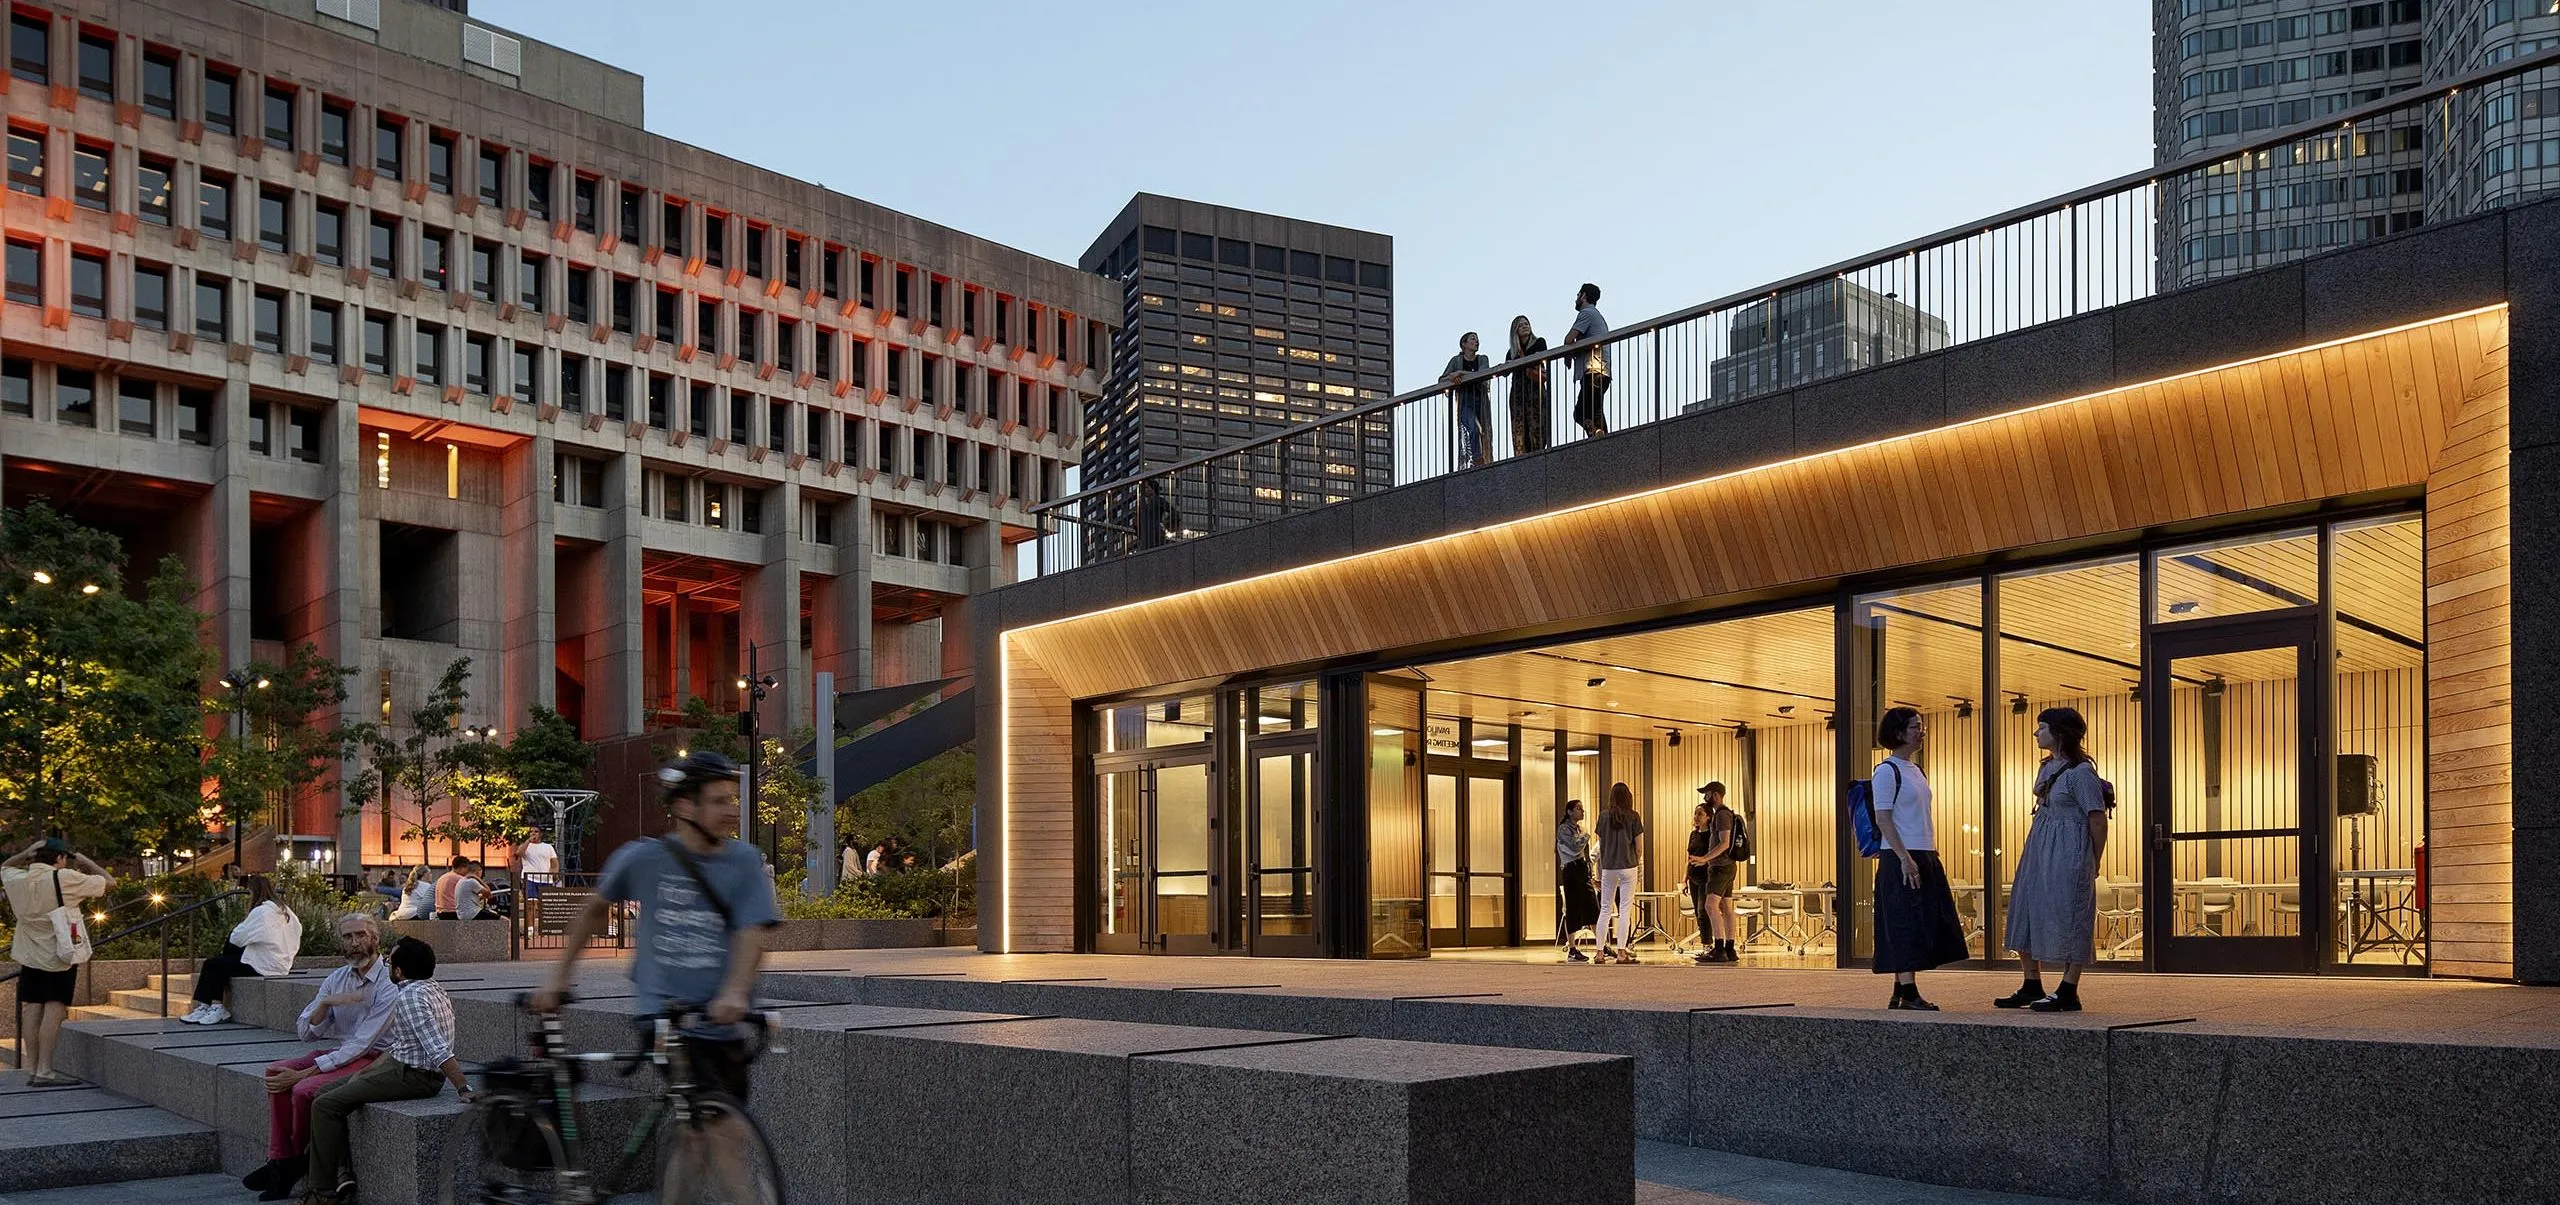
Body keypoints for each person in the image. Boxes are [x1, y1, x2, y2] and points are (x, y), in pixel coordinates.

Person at [533, 751, 780, 1105]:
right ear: (684, 808)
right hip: (665, 1013)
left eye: (732, 800)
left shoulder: (744, 861)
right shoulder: (643, 858)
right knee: (709, 1124)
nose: (732, 810)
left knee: (724, 1128)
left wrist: (736, 992)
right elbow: (593, 911)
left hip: (722, 1016)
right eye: (719, 801)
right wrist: (559, 976)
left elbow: (752, 932)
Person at [303, 936, 468, 1205]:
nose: (387, 964)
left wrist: (462, 1087)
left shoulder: (410, 999)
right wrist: (364, 1075)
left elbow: (437, 1048)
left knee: (325, 1105)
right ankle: (340, 1171)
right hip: (399, 1064)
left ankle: (322, 1193)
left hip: (415, 1076)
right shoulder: (431, 988)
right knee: (325, 1092)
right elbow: (402, 1045)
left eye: (391, 961)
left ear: (399, 971)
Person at [243, 913, 395, 1201]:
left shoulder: (388, 983)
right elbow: (306, 1032)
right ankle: (282, 1160)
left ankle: (294, 1164)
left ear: (375, 939)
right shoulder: (337, 979)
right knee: (276, 1072)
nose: (355, 943)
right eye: (348, 937)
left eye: (361, 935)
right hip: (343, 1051)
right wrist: (324, 1006)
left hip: (376, 1057)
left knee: (303, 1089)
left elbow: (363, 1044)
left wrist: (304, 1073)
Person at [1998, 707, 2113, 1013]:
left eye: (2042, 727)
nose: (2037, 733)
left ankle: (2068, 989)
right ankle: (2031, 982)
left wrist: (2092, 860)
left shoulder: (2082, 773)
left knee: (2071, 914)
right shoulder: (2046, 767)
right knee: (2024, 906)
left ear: (2060, 732)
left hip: (2069, 849)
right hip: (2039, 846)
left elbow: (2097, 819)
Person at [1871, 707, 1968, 1010]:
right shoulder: (1886, 770)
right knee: (1905, 921)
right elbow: (1883, 818)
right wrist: (1904, 857)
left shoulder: (1916, 770)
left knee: (1924, 919)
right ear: (1899, 733)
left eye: (1921, 726)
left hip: (1924, 851)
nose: (1921, 731)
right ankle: (1910, 991)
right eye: (1915, 727)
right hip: (1900, 854)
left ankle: (1900, 990)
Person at [3, 837, 112, 1086]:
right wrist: (87, 863)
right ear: (60, 858)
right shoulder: (64, 878)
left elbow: (5, 866)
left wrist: (24, 852)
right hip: (59, 956)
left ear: (35, 856)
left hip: (29, 954)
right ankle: (45, 1070)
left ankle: (30, 1068)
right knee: (54, 1008)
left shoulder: (18, 878)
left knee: (32, 1008)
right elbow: (108, 882)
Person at [181, 875, 302, 1026]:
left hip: (263, 965)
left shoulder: (262, 912)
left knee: (212, 964)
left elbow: (237, 937)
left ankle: (216, 1007)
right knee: (221, 961)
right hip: (280, 963)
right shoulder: (287, 912)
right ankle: (206, 1005)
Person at [1688, 784, 1742, 965]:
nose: (1705, 798)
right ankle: (1729, 948)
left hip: (1720, 867)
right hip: (1726, 866)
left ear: (1716, 795)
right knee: (1726, 908)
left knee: (1710, 906)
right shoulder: (1724, 814)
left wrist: (1705, 858)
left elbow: (1725, 843)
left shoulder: (1721, 815)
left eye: (1707, 794)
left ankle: (1718, 948)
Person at [1594, 782, 1645, 965]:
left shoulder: (1603, 816)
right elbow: (1639, 848)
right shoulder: (1633, 816)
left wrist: (1600, 871)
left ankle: (1600, 953)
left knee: (1605, 909)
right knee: (1624, 909)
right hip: (1628, 866)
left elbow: (1601, 845)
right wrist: (1636, 863)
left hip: (1608, 867)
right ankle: (1622, 952)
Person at [1562, 282, 1612, 438]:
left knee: (1580, 413)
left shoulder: (1587, 313)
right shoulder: (1598, 316)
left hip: (1593, 370)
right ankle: (1602, 439)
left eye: (1578, 294)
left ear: (1584, 295)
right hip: (1603, 371)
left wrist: (1568, 355)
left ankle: (1596, 435)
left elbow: (1569, 339)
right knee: (1595, 411)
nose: (1576, 298)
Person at [1554, 799, 1599, 963]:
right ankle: (1572, 949)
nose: (1582, 811)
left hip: (1582, 869)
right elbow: (1574, 848)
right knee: (1573, 908)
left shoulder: (1580, 829)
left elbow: (1583, 853)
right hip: (1571, 870)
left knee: (1593, 907)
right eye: (1579, 809)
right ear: (1569, 812)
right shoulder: (1564, 829)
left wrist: (1591, 874)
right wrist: (1586, 835)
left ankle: (1602, 945)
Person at [1441, 331, 1493, 469]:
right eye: (1472, 339)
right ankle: (1476, 459)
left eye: (1477, 339)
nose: (1476, 341)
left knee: (1485, 432)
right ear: (1464, 344)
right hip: (1465, 401)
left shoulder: (1482, 359)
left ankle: (1486, 458)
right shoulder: (1456, 361)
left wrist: (1460, 373)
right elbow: (1441, 380)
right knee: (1472, 428)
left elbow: (1482, 374)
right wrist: (1453, 378)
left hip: (1480, 400)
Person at [1506, 316, 1551, 456]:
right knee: (1520, 427)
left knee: (1538, 425)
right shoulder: (1512, 352)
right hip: (1518, 392)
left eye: (1527, 324)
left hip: (1534, 389)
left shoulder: (1538, 342)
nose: (1525, 326)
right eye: (1521, 325)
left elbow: (1540, 358)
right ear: (1515, 331)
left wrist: (1521, 359)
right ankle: (1522, 457)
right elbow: (1506, 371)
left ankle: (1538, 454)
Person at [431, 855, 468, 919]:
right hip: (453, 912)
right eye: (467, 868)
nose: (468, 871)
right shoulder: (460, 879)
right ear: (462, 868)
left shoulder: (442, 877)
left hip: (440, 913)